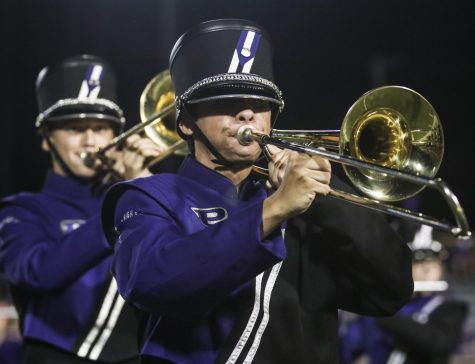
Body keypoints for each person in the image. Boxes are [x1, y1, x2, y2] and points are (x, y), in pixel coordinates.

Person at [101, 19, 413, 364]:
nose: (248, 112)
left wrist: (328, 200)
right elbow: (151, 282)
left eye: (260, 102)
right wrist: (274, 210)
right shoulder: (147, 196)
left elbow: (390, 293)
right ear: (186, 123)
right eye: (227, 101)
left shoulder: (307, 205)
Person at [0, 55, 163, 363]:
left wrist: (146, 187)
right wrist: (124, 200)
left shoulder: (133, 196)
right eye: (75, 128)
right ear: (47, 139)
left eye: (101, 128)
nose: (91, 141)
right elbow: (39, 273)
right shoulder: (22, 210)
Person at [339, 223, 469, 364]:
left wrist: (382, 314)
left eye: (433, 263)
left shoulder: (452, 309)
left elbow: (438, 343)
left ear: (442, 270)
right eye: (418, 262)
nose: (426, 269)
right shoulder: (388, 305)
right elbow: (345, 351)